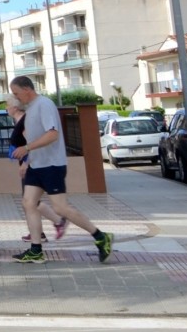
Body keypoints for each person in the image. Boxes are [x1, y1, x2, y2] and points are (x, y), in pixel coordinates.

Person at [7, 76, 112, 264]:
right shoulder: (31, 109)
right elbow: (35, 137)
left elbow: (52, 134)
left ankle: (101, 236)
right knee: (29, 203)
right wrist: (27, 162)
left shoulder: (44, 105)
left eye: (16, 93)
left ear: (26, 89)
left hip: (52, 165)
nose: (15, 98)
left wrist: (27, 148)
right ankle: (36, 250)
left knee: (60, 208)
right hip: (37, 164)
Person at [7, 101, 66, 241]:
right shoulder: (20, 121)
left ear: (15, 107)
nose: (6, 108)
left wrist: (26, 163)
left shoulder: (23, 122)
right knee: (29, 202)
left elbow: (31, 144)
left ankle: (57, 221)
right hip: (30, 164)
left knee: (30, 201)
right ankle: (38, 232)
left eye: (7, 105)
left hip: (32, 165)